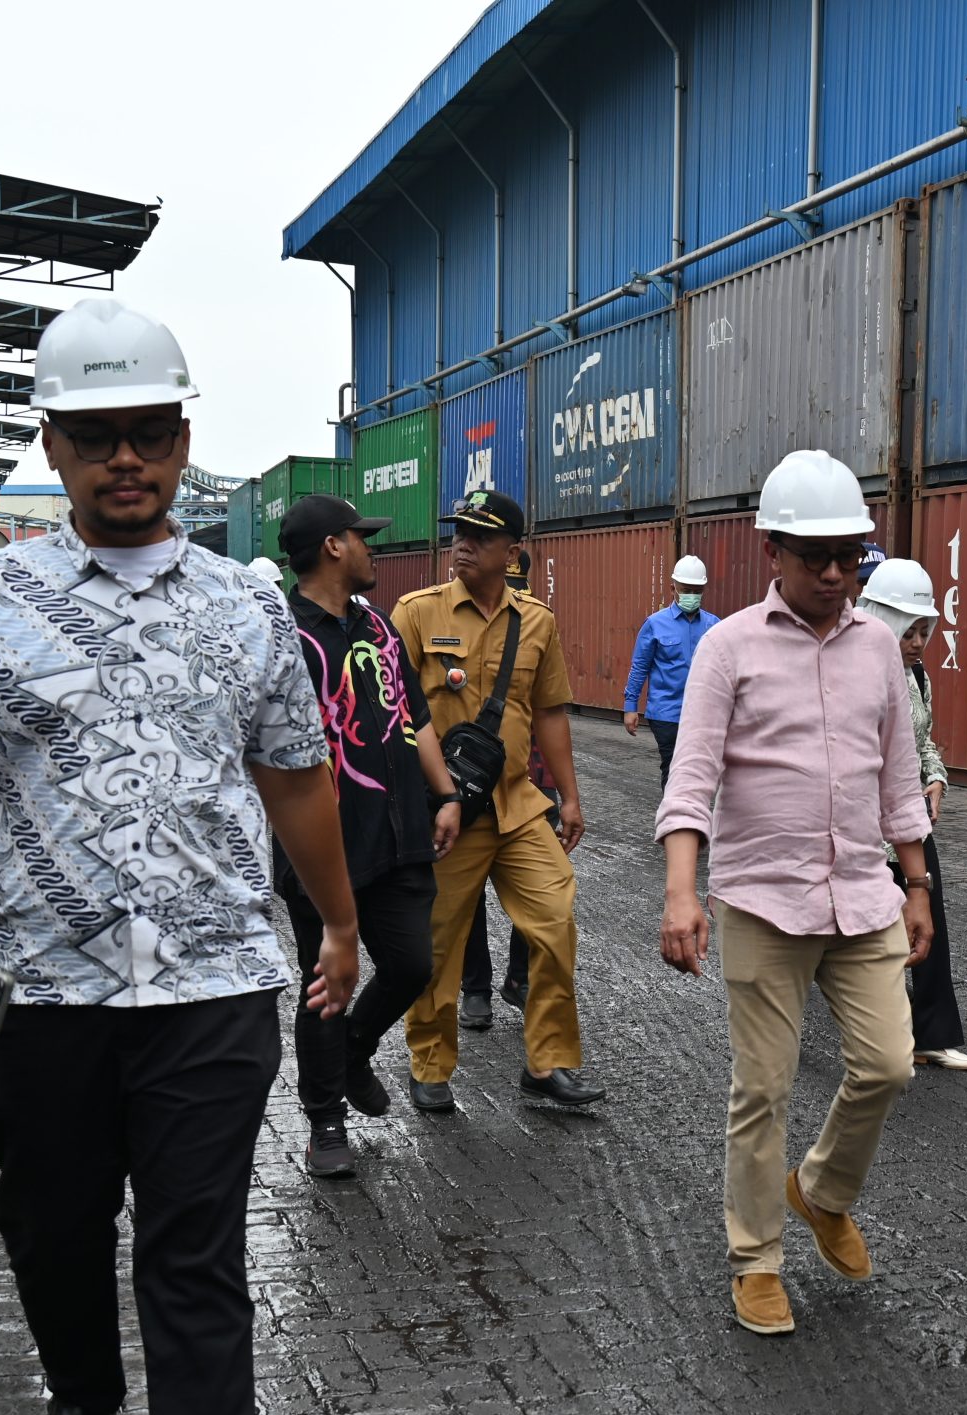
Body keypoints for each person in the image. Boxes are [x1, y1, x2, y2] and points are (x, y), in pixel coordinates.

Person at [0, 299, 361, 1415]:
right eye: (96, 436)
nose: (126, 458)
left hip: (211, 989)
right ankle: (83, 1398)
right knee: (49, 1221)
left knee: (197, 1256)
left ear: (183, 434)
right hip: (35, 987)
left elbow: (294, 776)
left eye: (148, 431)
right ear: (56, 444)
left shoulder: (247, 605)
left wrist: (336, 922)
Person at [655, 450, 935, 1337]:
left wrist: (919, 882)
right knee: (762, 1090)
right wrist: (680, 891)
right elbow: (690, 777)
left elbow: (898, 779)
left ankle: (820, 1189)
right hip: (763, 902)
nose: (831, 573)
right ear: (769, 548)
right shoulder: (728, 648)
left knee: (889, 1062)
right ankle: (757, 1258)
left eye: (847, 555)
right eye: (812, 555)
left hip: (863, 894)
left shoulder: (881, 649)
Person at [394, 492, 601, 1112]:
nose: (462, 544)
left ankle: (548, 1063)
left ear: (511, 553)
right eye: (458, 532)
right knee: (440, 941)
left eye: (479, 537)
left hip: (516, 806)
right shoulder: (416, 614)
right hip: (449, 813)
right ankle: (430, 1063)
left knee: (555, 920)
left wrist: (569, 796)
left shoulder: (535, 621)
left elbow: (550, 713)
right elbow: (393, 712)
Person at [274, 493, 461, 1177]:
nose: (371, 548)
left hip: (399, 831)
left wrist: (445, 794)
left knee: (412, 963)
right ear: (332, 547)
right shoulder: (283, 639)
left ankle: (353, 1049)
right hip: (324, 844)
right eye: (362, 537)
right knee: (326, 980)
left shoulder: (379, 627)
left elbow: (416, 719)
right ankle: (325, 1120)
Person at [856, 559, 967, 1073]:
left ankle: (931, 1035)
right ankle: (871, 1035)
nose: (917, 640)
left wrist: (936, 777)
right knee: (865, 939)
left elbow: (923, 743)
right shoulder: (857, 676)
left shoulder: (920, 677)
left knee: (932, 927)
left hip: (910, 829)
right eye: (909, 629)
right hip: (863, 832)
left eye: (925, 630)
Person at [458, 547, 548, 1029]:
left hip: (527, 781)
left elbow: (549, 710)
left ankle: (517, 977)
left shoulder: (537, 623)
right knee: (467, 891)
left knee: (536, 892)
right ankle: (475, 988)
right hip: (472, 781)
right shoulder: (455, 621)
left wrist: (558, 792)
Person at [623, 554, 714, 783]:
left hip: (702, 713)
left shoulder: (714, 625)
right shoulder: (655, 624)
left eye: (697, 591)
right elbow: (639, 667)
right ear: (673, 588)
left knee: (698, 771)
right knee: (674, 768)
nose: (691, 596)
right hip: (666, 713)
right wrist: (630, 707)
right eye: (686, 589)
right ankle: (674, 818)